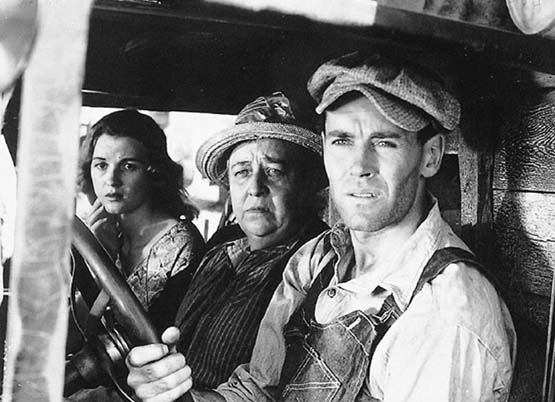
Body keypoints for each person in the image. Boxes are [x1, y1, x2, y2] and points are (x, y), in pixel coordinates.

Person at [125, 53, 516, 402]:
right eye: (343, 141)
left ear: (430, 156)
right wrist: (174, 395)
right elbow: (257, 391)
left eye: (384, 142)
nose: (359, 166)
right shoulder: (316, 259)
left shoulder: (445, 310)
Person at [170, 92, 328, 389]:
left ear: (306, 183)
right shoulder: (220, 247)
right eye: (242, 172)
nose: (255, 188)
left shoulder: (317, 264)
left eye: (274, 171)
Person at [77, 109, 205, 332]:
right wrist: (101, 255)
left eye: (128, 166)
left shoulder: (181, 244)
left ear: (153, 171)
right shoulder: (104, 233)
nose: (111, 180)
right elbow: (77, 329)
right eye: (101, 165)